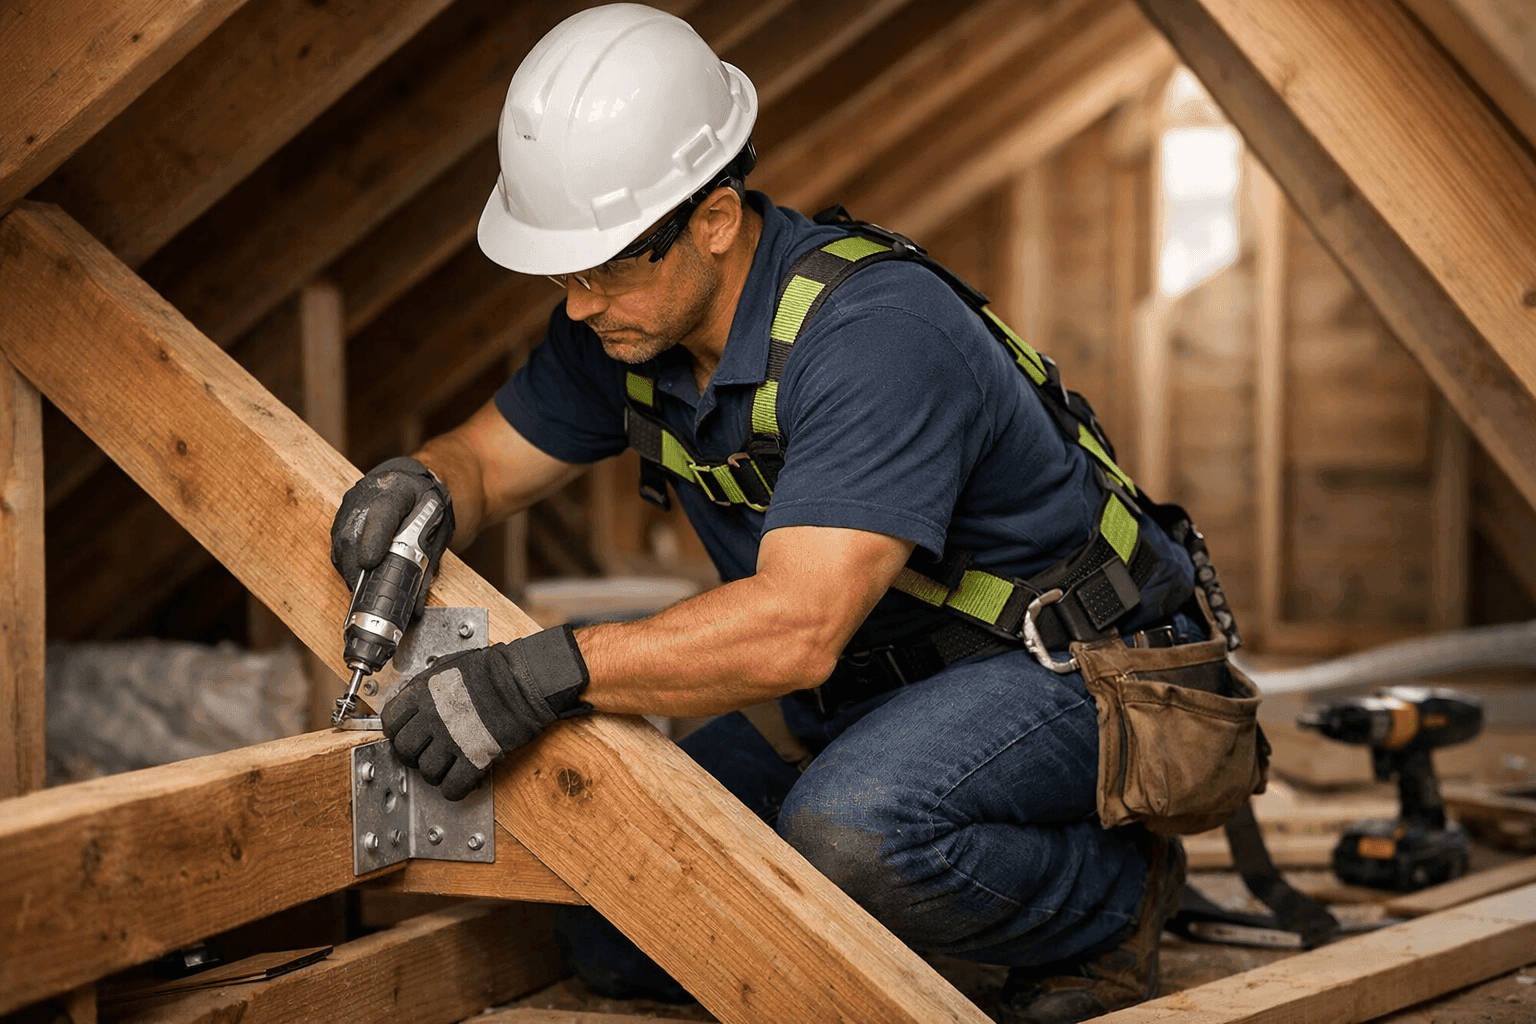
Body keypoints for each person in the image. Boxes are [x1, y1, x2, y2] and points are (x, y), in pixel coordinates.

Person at [329, 6, 1208, 1022]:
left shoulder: (874, 333)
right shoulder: (619, 322)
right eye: (563, 270)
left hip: (1072, 664)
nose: (576, 302)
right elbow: (483, 462)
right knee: (614, 924)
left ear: (712, 218)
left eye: (606, 265)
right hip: (875, 680)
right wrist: (421, 484)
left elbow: (797, 629)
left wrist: (546, 671)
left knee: (852, 839)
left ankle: (1114, 896)